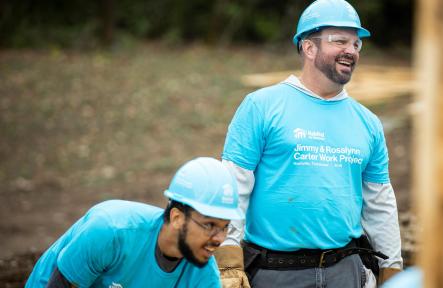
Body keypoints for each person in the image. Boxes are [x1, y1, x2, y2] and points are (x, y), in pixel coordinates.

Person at [214, 0, 403, 287]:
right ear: (308, 47)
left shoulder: (368, 122)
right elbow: (233, 184)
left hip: (346, 271)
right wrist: (228, 256)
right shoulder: (262, 106)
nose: (350, 50)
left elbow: (380, 202)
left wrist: (391, 267)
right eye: (339, 40)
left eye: (356, 44)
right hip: (274, 273)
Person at [25, 157, 244, 288]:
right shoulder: (110, 231)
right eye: (209, 225)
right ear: (177, 218)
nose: (220, 239)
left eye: (225, 227)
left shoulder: (204, 276)